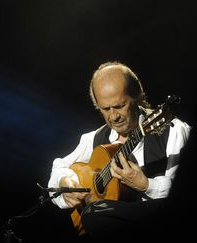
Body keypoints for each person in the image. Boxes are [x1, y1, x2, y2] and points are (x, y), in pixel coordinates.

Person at [47, 61, 191, 239]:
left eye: (120, 106)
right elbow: (58, 168)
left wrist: (146, 185)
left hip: (163, 230)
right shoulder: (94, 138)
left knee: (94, 213)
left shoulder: (174, 132)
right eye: (105, 109)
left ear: (137, 96)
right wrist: (66, 184)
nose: (113, 116)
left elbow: (185, 197)